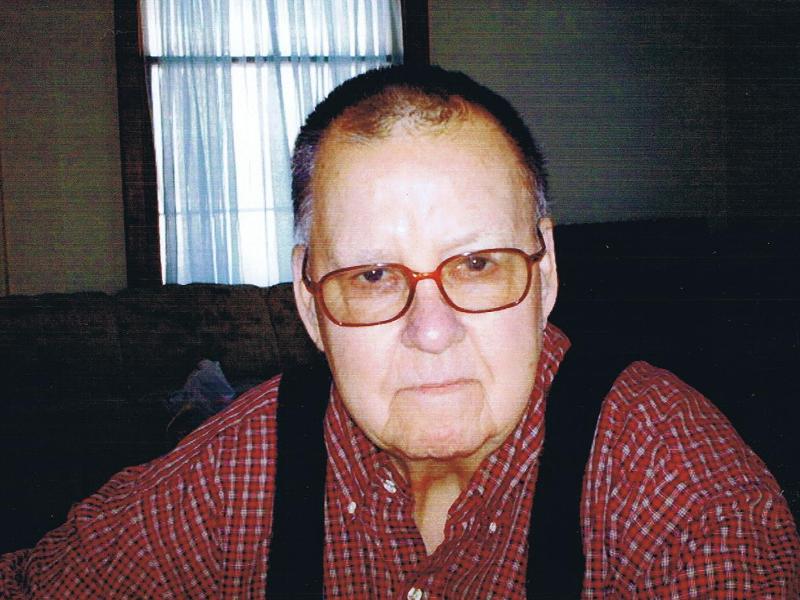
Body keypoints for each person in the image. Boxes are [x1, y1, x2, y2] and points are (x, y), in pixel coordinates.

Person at [1, 65, 798, 598]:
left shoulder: (672, 483)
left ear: (546, 272)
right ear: (309, 303)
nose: (432, 331)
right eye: (374, 276)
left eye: (478, 263)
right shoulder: (243, 468)